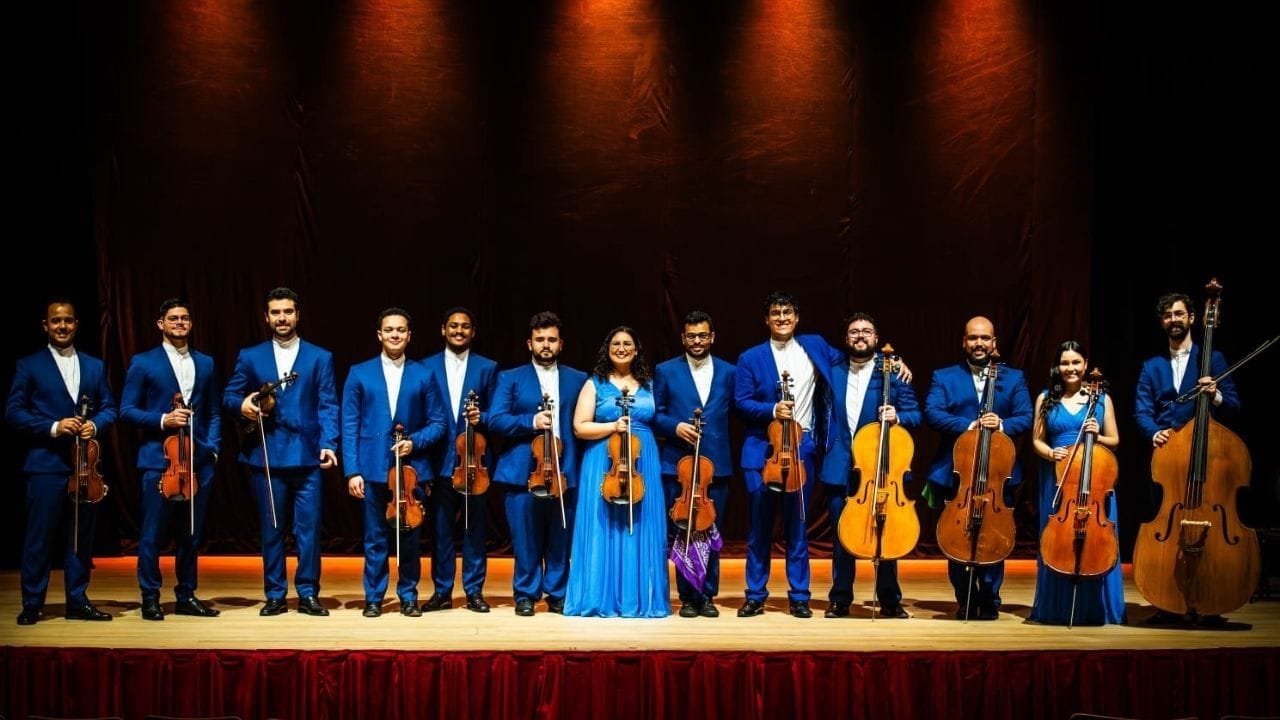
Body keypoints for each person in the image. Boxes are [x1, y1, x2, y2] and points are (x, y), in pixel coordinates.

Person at [223, 287, 339, 617]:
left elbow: (328, 404)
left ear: (297, 315)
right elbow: (229, 397)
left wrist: (329, 443)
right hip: (266, 456)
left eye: (288, 311)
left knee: (309, 530)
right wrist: (242, 404)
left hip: (307, 457)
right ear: (266, 317)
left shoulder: (320, 356)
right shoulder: (250, 355)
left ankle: (307, 593)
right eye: (276, 312)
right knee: (272, 528)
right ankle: (275, 593)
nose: (282, 318)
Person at [6, 298, 118, 625]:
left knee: (80, 537)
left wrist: (94, 424)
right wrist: (54, 427)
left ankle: (77, 599)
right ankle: (32, 602)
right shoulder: (28, 365)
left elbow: (109, 408)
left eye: (68, 320)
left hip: (86, 467)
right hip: (45, 465)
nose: (62, 326)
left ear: (76, 324)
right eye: (56, 321)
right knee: (39, 537)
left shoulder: (94, 366)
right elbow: (13, 412)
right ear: (45, 326)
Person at [734, 291, 843, 618]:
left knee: (798, 525)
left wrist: (890, 362)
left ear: (796, 318)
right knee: (759, 529)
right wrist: (771, 409)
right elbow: (740, 402)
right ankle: (755, 594)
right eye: (775, 313)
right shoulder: (750, 357)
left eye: (788, 312)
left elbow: (855, 356)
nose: (782, 318)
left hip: (802, 447)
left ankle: (799, 595)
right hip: (761, 452)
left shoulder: (816, 346)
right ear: (766, 319)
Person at [1133, 291, 1240, 625]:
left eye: (1179, 314)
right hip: (1167, 460)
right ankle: (1167, 602)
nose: (1173, 320)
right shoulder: (1152, 366)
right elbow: (1142, 408)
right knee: (1166, 527)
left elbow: (1235, 405)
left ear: (1193, 318)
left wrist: (1216, 394)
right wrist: (1154, 432)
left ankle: (1211, 598)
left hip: (1206, 458)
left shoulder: (1215, 359)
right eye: (1167, 315)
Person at [119, 298, 223, 621]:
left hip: (198, 461)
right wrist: (164, 420)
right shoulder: (143, 362)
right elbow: (127, 410)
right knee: (152, 533)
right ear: (160, 323)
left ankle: (186, 594)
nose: (180, 323)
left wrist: (213, 448)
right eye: (173, 318)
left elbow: (214, 411)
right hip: (158, 462)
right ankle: (150, 596)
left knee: (190, 533)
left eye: (185, 318)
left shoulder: (206, 363)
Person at [923, 315, 1032, 620]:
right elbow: (932, 412)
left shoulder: (1014, 378)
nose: (979, 343)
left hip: (998, 472)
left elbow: (1026, 416)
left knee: (995, 533)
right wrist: (970, 426)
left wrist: (1002, 423)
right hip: (958, 471)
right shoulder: (944, 377)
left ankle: (990, 597)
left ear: (994, 343)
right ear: (964, 342)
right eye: (973, 338)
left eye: (985, 338)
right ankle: (965, 596)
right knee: (957, 533)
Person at [341, 307, 447, 618]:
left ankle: (409, 596)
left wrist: (414, 442)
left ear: (409, 336)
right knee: (375, 538)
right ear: (379, 335)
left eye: (401, 330)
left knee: (410, 537)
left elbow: (439, 423)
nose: (395, 335)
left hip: (411, 472)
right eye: (389, 330)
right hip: (373, 468)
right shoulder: (359, 373)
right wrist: (352, 471)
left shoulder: (423, 373)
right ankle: (374, 597)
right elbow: (349, 424)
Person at [563, 326, 670, 617]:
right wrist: (612, 426)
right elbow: (579, 427)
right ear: (607, 349)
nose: (621, 348)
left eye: (627, 344)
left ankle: (640, 599)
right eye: (615, 344)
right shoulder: (594, 383)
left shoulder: (649, 383)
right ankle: (600, 597)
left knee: (643, 525)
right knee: (604, 526)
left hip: (641, 458)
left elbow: (659, 419)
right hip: (603, 459)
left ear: (636, 349)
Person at [818, 313, 919, 619]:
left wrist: (898, 417)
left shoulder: (892, 372)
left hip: (881, 468)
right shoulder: (831, 369)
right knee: (841, 536)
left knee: (886, 532)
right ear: (845, 338)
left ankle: (889, 599)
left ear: (877, 338)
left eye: (866, 331)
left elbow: (916, 414)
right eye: (853, 332)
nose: (860, 336)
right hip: (840, 463)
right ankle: (840, 598)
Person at [488, 311, 588, 615]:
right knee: (526, 538)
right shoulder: (510, 377)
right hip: (522, 472)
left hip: (565, 470)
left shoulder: (578, 378)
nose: (546, 345)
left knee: (560, 536)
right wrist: (530, 420)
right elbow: (495, 420)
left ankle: (557, 592)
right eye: (540, 339)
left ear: (561, 344)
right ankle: (526, 593)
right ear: (529, 343)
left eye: (552, 340)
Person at [1029, 340, 1125, 625]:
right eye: (1064, 363)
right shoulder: (1046, 398)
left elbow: (1115, 441)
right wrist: (1050, 452)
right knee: (1057, 540)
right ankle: (1054, 608)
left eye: (1075, 362)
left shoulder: (1101, 399)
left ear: (1085, 365)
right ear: (1057, 367)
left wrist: (1097, 434)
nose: (1070, 368)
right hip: (1058, 478)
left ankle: (1098, 608)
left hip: (1094, 481)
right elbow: (1037, 439)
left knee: (1098, 540)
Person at [653, 310, 735, 618]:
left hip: (717, 465)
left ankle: (708, 594)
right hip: (678, 464)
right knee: (682, 531)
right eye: (691, 336)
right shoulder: (665, 370)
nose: (697, 341)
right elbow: (655, 414)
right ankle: (687, 596)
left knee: (711, 531)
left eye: (702, 335)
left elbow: (742, 407)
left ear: (712, 337)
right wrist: (674, 427)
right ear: (682, 338)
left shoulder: (730, 371)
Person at [421, 307, 498, 612]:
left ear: (473, 332)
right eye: (453, 326)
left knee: (474, 529)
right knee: (440, 530)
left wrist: (484, 416)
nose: (459, 331)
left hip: (474, 461)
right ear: (443, 329)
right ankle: (441, 591)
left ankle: (474, 591)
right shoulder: (425, 367)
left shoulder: (488, 368)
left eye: (465, 326)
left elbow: (498, 413)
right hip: (440, 460)